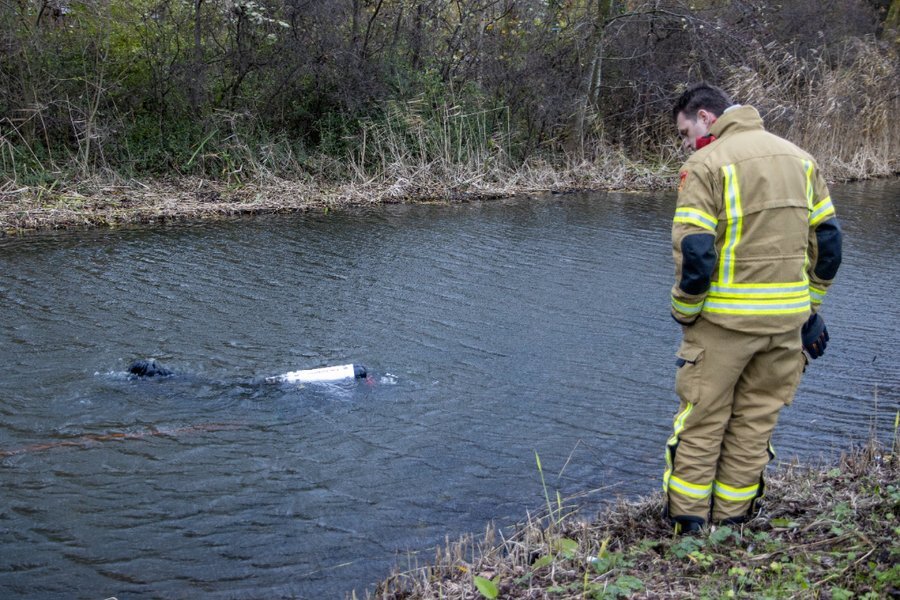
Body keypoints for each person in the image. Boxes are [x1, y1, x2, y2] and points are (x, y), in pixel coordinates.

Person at [663, 83, 842, 533]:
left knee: (702, 421)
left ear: (706, 117)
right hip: (786, 325)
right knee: (755, 424)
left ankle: (689, 526)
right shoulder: (801, 159)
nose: (685, 144)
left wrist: (685, 310)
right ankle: (733, 521)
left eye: (685, 133)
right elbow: (829, 245)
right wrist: (809, 306)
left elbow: (697, 252)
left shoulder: (705, 164)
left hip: (724, 324)